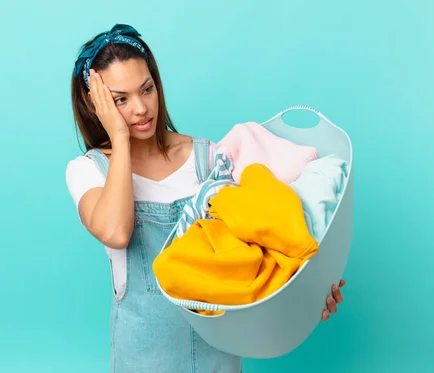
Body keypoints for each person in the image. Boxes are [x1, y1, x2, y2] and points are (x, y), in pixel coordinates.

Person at [65, 23, 346, 373]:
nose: (140, 108)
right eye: (121, 99)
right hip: (142, 360)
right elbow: (116, 232)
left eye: (147, 89)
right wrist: (118, 140)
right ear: (97, 106)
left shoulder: (210, 158)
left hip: (220, 360)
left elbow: (266, 240)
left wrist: (308, 292)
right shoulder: (88, 171)